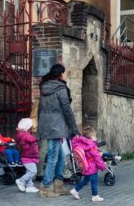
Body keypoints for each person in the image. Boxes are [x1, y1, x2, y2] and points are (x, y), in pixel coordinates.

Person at [37, 64, 79, 197]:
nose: (66, 75)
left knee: (60, 157)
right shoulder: (61, 88)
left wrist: (40, 126)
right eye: (65, 73)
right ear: (60, 74)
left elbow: (40, 109)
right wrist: (74, 128)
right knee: (53, 158)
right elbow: (67, 109)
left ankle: (58, 185)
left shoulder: (45, 87)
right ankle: (45, 187)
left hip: (48, 125)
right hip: (56, 126)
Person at [70, 126, 106, 202]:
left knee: (85, 180)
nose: (96, 138)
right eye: (95, 136)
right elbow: (97, 157)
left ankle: (75, 190)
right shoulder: (92, 145)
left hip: (84, 166)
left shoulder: (81, 144)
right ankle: (95, 196)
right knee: (94, 181)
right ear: (92, 136)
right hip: (92, 167)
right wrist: (102, 166)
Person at [15, 118, 39, 193]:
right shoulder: (26, 135)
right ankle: (21, 181)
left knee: (29, 172)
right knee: (33, 172)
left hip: (27, 156)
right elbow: (32, 140)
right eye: (32, 127)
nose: (33, 128)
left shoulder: (22, 135)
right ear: (28, 127)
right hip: (28, 157)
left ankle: (29, 186)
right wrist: (39, 137)